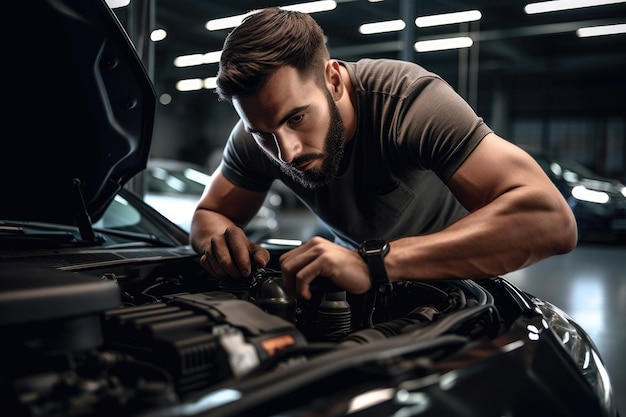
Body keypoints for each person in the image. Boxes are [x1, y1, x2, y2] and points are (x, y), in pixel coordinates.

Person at [190, 7, 577, 300]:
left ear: (334, 79)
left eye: (298, 118)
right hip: (360, 283)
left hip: (458, 284)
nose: (286, 152)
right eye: (264, 134)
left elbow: (550, 220)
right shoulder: (257, 134)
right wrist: (220, 244)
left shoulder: (410, 103)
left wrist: (375, 262)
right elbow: (210, 214)